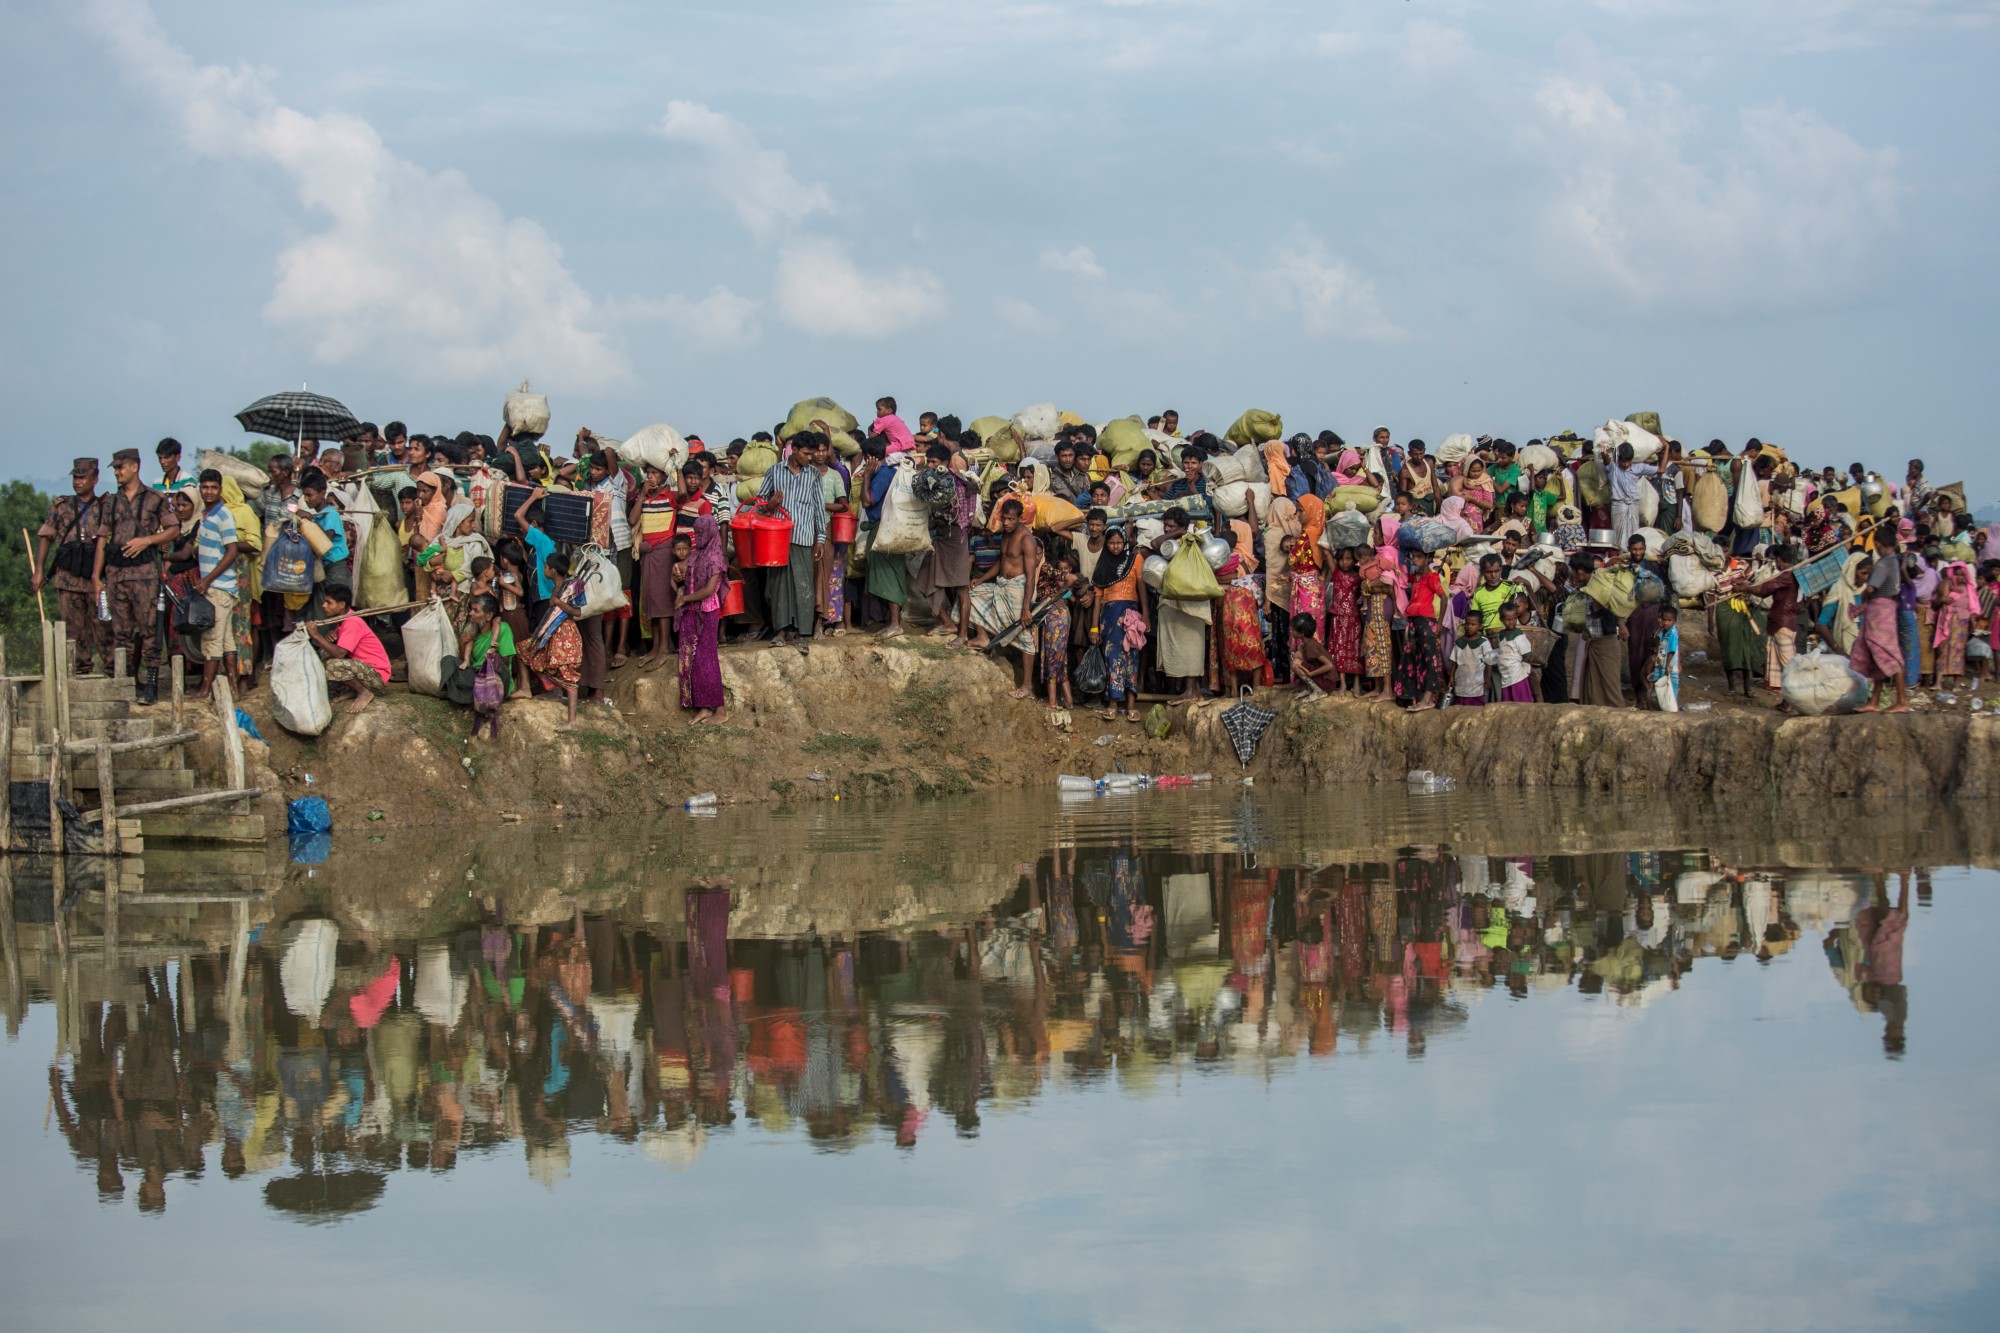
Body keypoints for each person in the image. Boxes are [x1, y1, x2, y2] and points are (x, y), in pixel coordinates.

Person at [93, 448, 176, 705]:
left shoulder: (155, 498)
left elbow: (173, 529)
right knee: (121, 633)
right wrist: (97, 577)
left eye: (120, 467)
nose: (117, 472)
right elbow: (102, 541)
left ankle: (150, 683)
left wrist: (147, 540)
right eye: (115, 468)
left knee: (150, 630)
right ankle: (125, 682)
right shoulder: (110, 502)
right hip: (117, 575)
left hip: (145, 575)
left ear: (134, 467)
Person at [34, 457, 109, 677]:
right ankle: (81, 671)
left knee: (103, 627)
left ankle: (114, 671)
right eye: (76, 477)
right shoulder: (62, 505)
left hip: (96, 578)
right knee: (73, 630)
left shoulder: (106, 506)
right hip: (68, 578)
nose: (78, 482)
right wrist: (39, 570)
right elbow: (46, 536)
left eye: (83, 477)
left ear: (95, 479)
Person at [758, 429, 829, 653]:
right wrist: (769, 506)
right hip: (777, 539)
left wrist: (820, 539)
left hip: (804, 536)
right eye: (806, 453)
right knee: (779, 585)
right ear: (794, 450)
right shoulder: (774, 471)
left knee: (803, 585)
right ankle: (780, 631)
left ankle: (800, 633)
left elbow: (819, 507)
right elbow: (758, 502)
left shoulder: (814, 475)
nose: (810, 458)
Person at [967, 499, 1043, 676]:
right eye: (1005, 518)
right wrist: (981, 579)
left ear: (1020, 518)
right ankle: (982, 637)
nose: (1007, 523)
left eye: (1011, 519)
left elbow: (1031, 577)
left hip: (1019, 588)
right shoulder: (1006, 534)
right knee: (971, 594)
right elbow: (1001, 561)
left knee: (1024, 634)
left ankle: (1026, 686)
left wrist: (1026, 608)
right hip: (1001, 585)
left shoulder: (1027, 540)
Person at [190, 469, 242, 701]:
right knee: (226, 640)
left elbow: (232, 551)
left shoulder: (223, 516)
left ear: (220, 490)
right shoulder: (206, 514)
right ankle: (232, 689)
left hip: (218, 586)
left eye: (213, 488)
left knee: (211, 640)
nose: (209, 491)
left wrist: (207, 580)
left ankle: (205, 690)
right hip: (221, 586)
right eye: (205, 487)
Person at [303, 582, 389, 714]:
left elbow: (340, 654)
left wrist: (316, 635)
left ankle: (364, 692)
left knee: (333, 664)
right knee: (325, 654)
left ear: (341, 605)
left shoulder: (352, 621)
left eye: (328, 602)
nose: (323, 606)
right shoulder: (340, 621)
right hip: (364, 669)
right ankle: (354, 690)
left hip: (376, 674)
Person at [522, 550, 585, 729]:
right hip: (551, 633)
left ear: (553, 570)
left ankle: (571, 721)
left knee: (567, 674)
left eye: (546, 567)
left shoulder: (571, 587)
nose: (544, 569)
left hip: (565, 633)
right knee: (528, 653)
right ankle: (554, 692)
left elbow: (578, 612)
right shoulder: (557, 588)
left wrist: (558, 603)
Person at [676, 514, 730, 724]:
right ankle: (703, 707)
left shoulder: (715, 557)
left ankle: (721, 710)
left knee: (707, 661)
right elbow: (686, 582)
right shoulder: (696, 554)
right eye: (695, 533)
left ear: (710, 532)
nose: (697, 537)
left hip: (706, 613)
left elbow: (709, 590)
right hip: (691, 610)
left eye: (701, 533)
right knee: (691, 660)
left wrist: (685, 598)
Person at [1092, 525, 1146, 723]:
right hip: (1109, 616)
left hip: (1131, 616)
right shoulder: (1103, 564)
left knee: (1132, 657)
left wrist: (1146, 616)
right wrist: (1094, 627)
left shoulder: (1135, 559)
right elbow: (1097, 597)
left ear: (1125, 543)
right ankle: (1113, 703)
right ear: (1106, 544)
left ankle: (1131, 705)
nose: (1115, 547)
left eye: (1119, 543)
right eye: (1111, 543)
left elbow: (1142, 589)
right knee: (1111, 657)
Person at [1850, 537, 1910, 714]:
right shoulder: (1894, 562)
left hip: (1880, 612)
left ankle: (1902, 701)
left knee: (1889, 654)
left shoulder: (1884, 563)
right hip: (1886, 609)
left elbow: (1871, 589)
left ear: (1877, 544)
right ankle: (1874, 701)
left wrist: (1864, 598)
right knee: (1878, 656)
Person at [452, 592, 513, 740]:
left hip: (497, 679)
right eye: (471, 610)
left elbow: (506, 662)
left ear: (488, 615)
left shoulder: (502, 628)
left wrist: (492, 657)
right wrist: (462, 643)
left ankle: (470, 698)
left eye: (476, 610)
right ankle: (470, 696)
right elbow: (465, 664)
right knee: (449, 662)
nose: (471, 614)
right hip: (477, 676)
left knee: (492, 664)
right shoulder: (472, 631)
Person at [1396, 547, 1446, 711]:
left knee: (1430, 659)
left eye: (1418, 557)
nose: (1415, 560)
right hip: (1414, 621)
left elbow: (1444, 598)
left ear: (1428, 558)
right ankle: (1419, 697)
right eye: (1413, 557)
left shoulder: (1432, 576)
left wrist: (1439, 624)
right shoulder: (1416, 576)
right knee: (1417, 658)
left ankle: (1428, 699)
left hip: (1426, 621)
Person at [1036, 548, 1079, 709]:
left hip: (1055, 615)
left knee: (1053, 656)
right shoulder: (1042, 571)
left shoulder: (1045, 568)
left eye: (1038, 553)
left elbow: (1071, 579)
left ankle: (1052, 701)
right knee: (1060, 657)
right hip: (1060, 615)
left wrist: (1055, 596)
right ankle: (1068, 700)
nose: (1035, 556)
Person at [1607, 442, 1658, 549]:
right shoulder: (1613, 468)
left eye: (1628, 461)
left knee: (1634, 531)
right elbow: (1605, 459)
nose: (1626, 464)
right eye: (1623, 461)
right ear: (1618, 459)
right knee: (1618, 534)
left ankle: (1632, 552)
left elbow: (1661, 470)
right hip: (1619, 505)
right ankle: (1620, 552)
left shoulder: (1639, 468)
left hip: (1633, 505)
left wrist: (1666, 448)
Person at [1490, 602, 1537, 702]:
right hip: (1505, 673)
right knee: (1508, 701)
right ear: (1501, 620)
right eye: (1508, 620)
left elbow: (1527, 654)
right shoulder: (1501, 634)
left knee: (1521, 700)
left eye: (1514, 619)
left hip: (1517, 674)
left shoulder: (1519, 635)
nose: (1512, 622)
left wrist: (1521, 666)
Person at [1291, 613, 1339, 696]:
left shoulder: (1311, 646)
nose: (1292, 632)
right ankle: (1310, 688)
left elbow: (1329, 665)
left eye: (1293, 630)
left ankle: (1318, 691)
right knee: (1297, 655)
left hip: (1327, 682)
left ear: (1302, 633)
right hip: (1323, 678)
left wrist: (1311, 674)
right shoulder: (1307, 643)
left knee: (1295, 664)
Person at [1451, 628, 1494, 706]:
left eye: (1473, 625)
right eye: (1467, 624)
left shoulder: (1484, 642)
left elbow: (1489, 662)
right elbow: (1454, 661)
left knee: (1477, 708)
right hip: (1461, 681)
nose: (1469, 626)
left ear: (1479, 626)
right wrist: (1451, 676)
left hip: (1477, 683)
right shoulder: (1459, 642)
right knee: (1461, 707)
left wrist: (1488, 678)